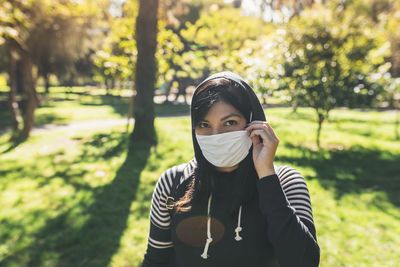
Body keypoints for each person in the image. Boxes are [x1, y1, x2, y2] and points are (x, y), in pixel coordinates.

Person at [142, 72, 320, 267]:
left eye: (230, 123)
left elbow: (304, 262)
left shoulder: (286, 181)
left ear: (253, 122)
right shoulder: (172, 182)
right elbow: (155, 261)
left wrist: (266, 175)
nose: (216, 135)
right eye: (204, 124)